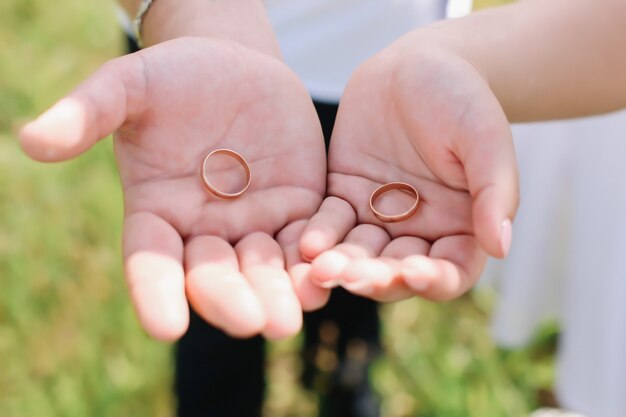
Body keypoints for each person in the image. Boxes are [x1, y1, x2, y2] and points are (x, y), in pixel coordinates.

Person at [18, 0, 626, 415]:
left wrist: (462, 59)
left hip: (395, 75)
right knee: (217, 283)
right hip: (209, 66)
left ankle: (343, 373)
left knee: (353, 263)